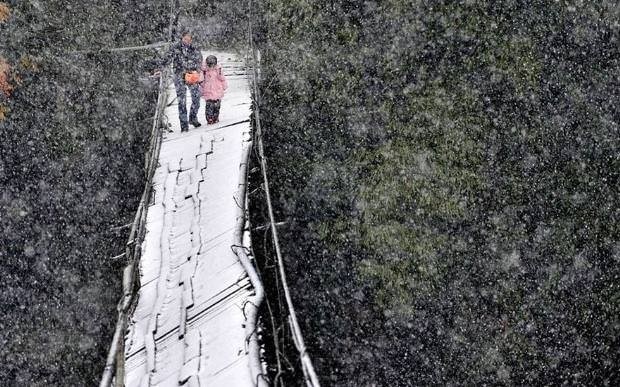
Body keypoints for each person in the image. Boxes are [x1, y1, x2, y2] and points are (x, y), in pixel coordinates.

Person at [157, 30, 203, 132]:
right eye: (185, 38)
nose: (187, 41)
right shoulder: (175, 48)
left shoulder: (195, 48)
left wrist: (196, 69)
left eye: (189, 39)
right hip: (179, 74)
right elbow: (167, 59)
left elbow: (199, 60)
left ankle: (193, 118)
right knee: (181, 101)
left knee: (196, 97)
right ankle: (184, 125)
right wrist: (159, 68)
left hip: (191, 74)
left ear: (191, 40)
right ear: (182, 38)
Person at [200, 55, 228, 124]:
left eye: (213, 64)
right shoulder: (204, 71)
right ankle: (209, 118)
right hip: (208, 91)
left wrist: (224, 86)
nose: (211, 66)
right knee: (209, 106)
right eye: (210, 64)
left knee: (217, 106)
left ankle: (215, 117)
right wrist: (201, 90)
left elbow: (222, 79)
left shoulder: (218, 70)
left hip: (217, 90)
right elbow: (201, 81)